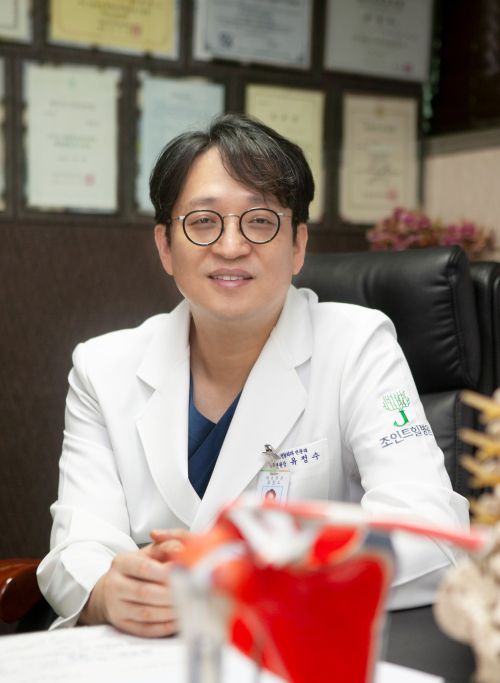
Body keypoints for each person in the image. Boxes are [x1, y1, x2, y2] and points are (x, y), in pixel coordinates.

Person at [37, 113, 469, 637]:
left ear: (298, 245)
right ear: (165, 246)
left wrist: (244, 578)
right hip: (147, 651)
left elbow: (429, 532)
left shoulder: (357, 346)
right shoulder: (103, 368)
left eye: (260, 220)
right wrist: (107, 592)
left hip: (296, 645)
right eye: (203, 221)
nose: (231, 246)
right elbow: (78, 543)